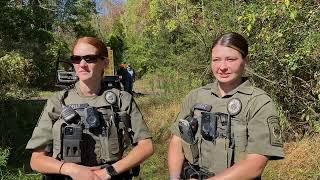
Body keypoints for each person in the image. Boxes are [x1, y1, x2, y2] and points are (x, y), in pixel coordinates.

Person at [26, 36, 154, 180]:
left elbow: (146, 146)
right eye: (76, 58)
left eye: (90, 58)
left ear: (105, 62)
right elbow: (36, 160)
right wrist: (71, 169)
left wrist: (108, 172)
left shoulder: (121, 100)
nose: (82, 64)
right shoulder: (58, 101)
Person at [168, 32, 284, 180]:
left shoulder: (258, 102)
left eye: (230, 59)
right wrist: (174, 177)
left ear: (246, 61)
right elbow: (177, 140)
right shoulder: (196, 96)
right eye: (216, 60)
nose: (222, 67)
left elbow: (255, 164)